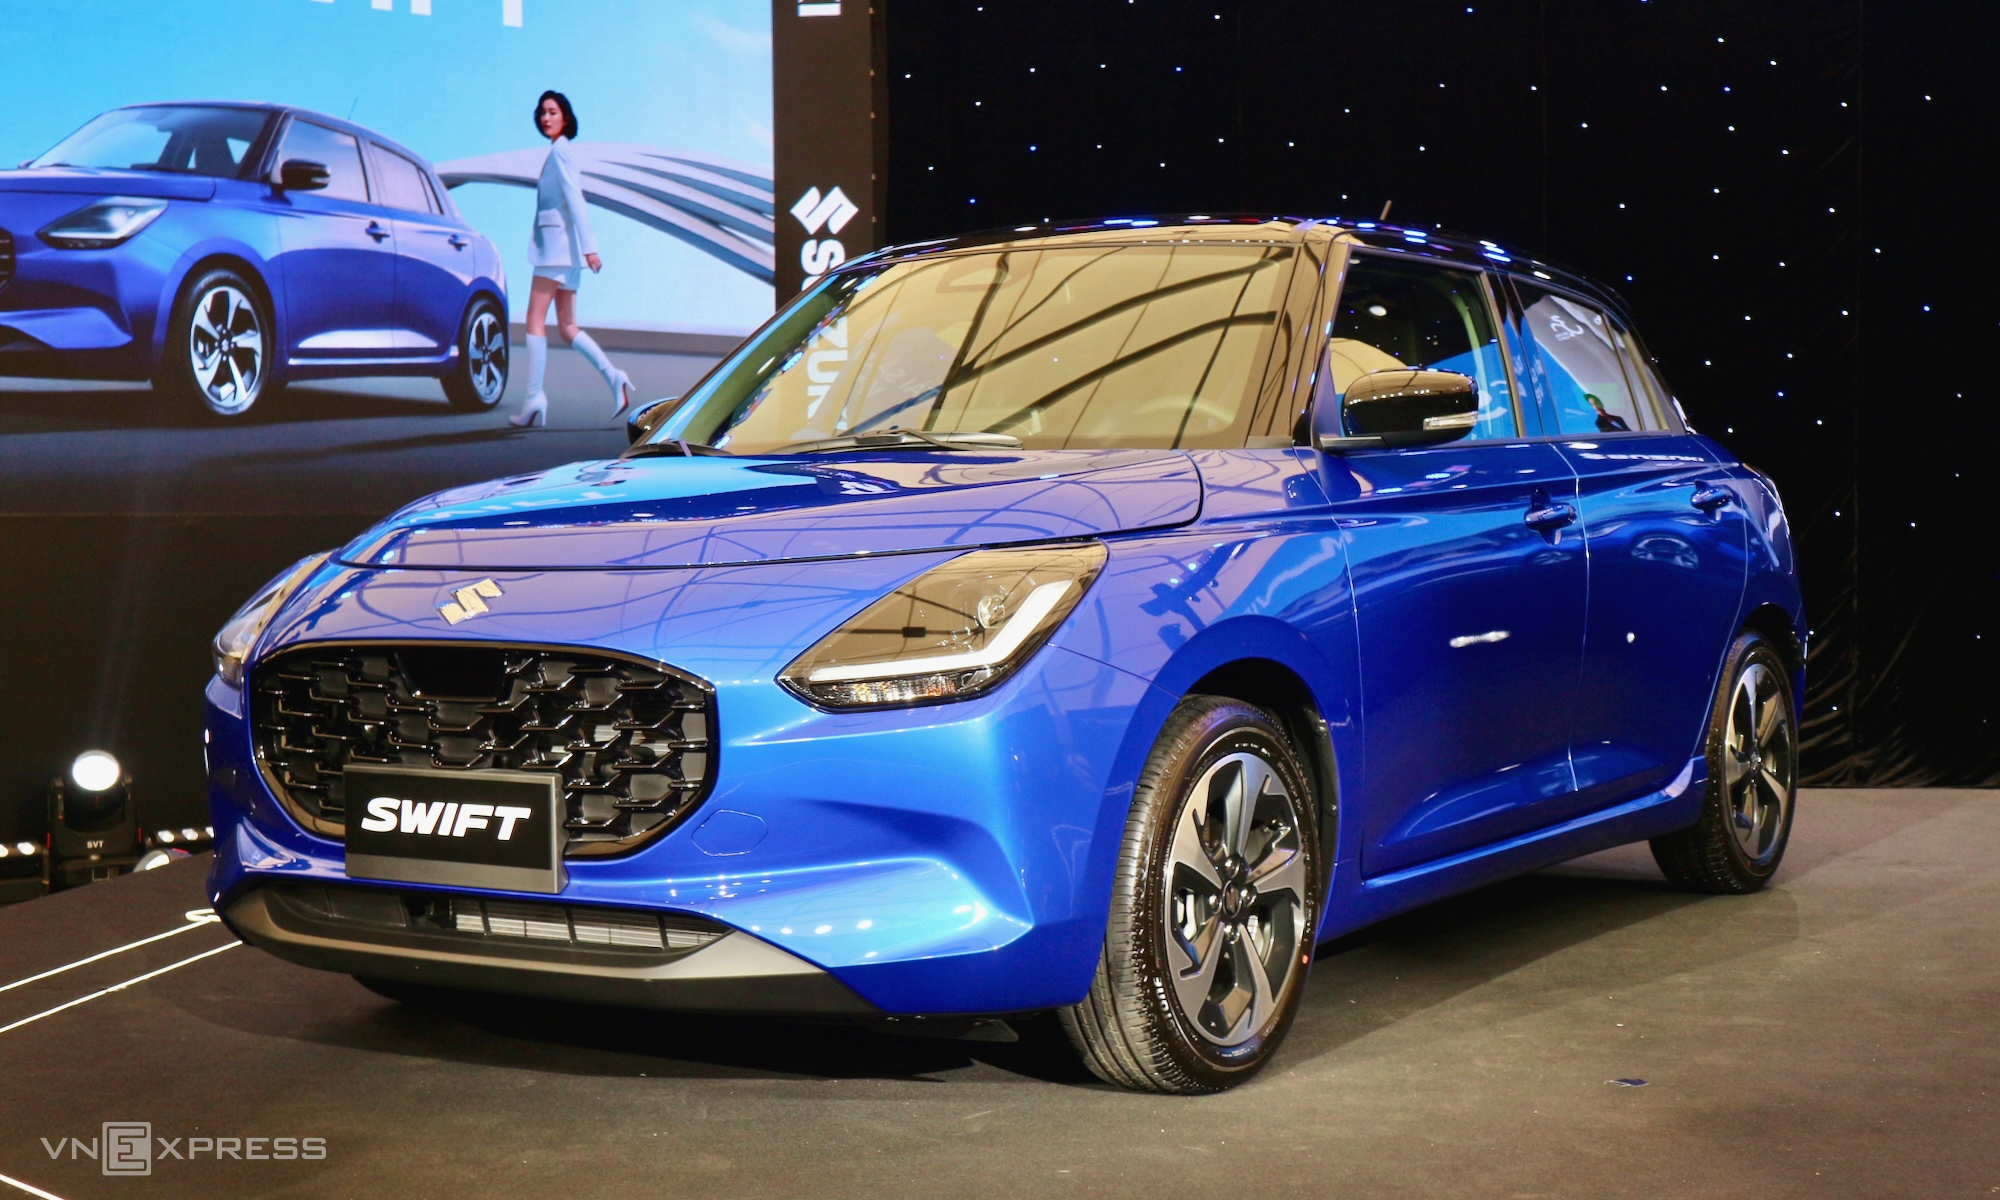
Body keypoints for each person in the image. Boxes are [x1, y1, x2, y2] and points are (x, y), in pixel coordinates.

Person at [510, 90, 635, 427]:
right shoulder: (559, 151)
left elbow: (575, 197)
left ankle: (533, 397)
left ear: (565, 117)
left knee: (534, 319)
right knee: (567, 327)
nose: (545, 118)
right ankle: (614, 377)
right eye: (542, 112)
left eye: (552, 112)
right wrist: (585, 249)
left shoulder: (561, 151)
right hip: (567, 249)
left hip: (555, 248)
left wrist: (590, 247)